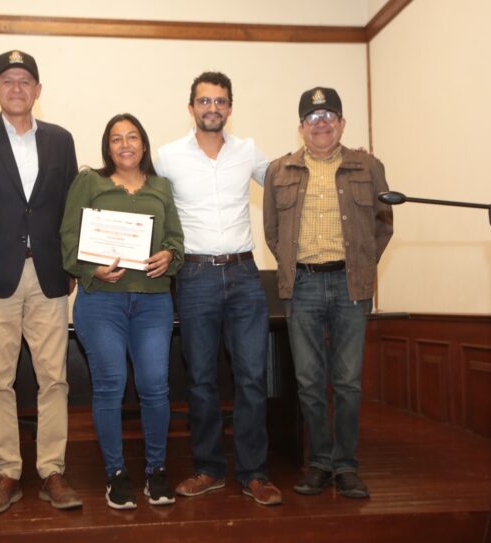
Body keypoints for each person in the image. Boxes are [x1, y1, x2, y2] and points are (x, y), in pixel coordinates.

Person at [0, 49, 81, 513]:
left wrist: (71, 264)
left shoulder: (60, 140)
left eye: (25, 80)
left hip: (48, 275)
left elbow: (70, 211)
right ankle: (6, 473)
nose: (17, 88)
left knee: (54, 378)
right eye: (8, 80)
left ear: (38, 90)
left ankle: (52, 471)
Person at [156, 72, 282, 505]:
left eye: (220, 101)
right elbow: (141, 195)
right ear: (191, 107)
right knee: (201, 379)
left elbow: (289, 181)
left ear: (230, 107)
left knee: (252, 378)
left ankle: (254, 474)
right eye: (204, 100)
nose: (212, 107)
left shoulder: (248, 151)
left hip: (245, 276)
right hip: (195, 278)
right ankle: (208, 469)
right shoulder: (168, 157)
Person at [263, 86, 393, 499]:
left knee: (348, 382)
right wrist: (297, 267)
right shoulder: (279, 171)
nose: (321, 124)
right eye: (313, 118)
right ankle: (319, 463)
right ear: (301, 127)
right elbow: (272, 232)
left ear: (341, 123)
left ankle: (346, 465)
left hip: (349, 284)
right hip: (301, 285)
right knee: (308, 381)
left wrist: (361, 266)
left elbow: (383, 225)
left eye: (329, 116)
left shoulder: (368, 166)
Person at [61, 113, 184, 510]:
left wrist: (170, 255)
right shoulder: (89, 182)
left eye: (132, 137)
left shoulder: (161, 187)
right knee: (110, 385)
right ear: (107, 147)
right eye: (117, 139)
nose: (125, 144)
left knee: (155, 385)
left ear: (144, 145)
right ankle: (116, 473)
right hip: (102, 301)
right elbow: (68, 236)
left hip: (153, 300)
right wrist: (89, 268)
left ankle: (156, 470)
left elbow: (176, 239)